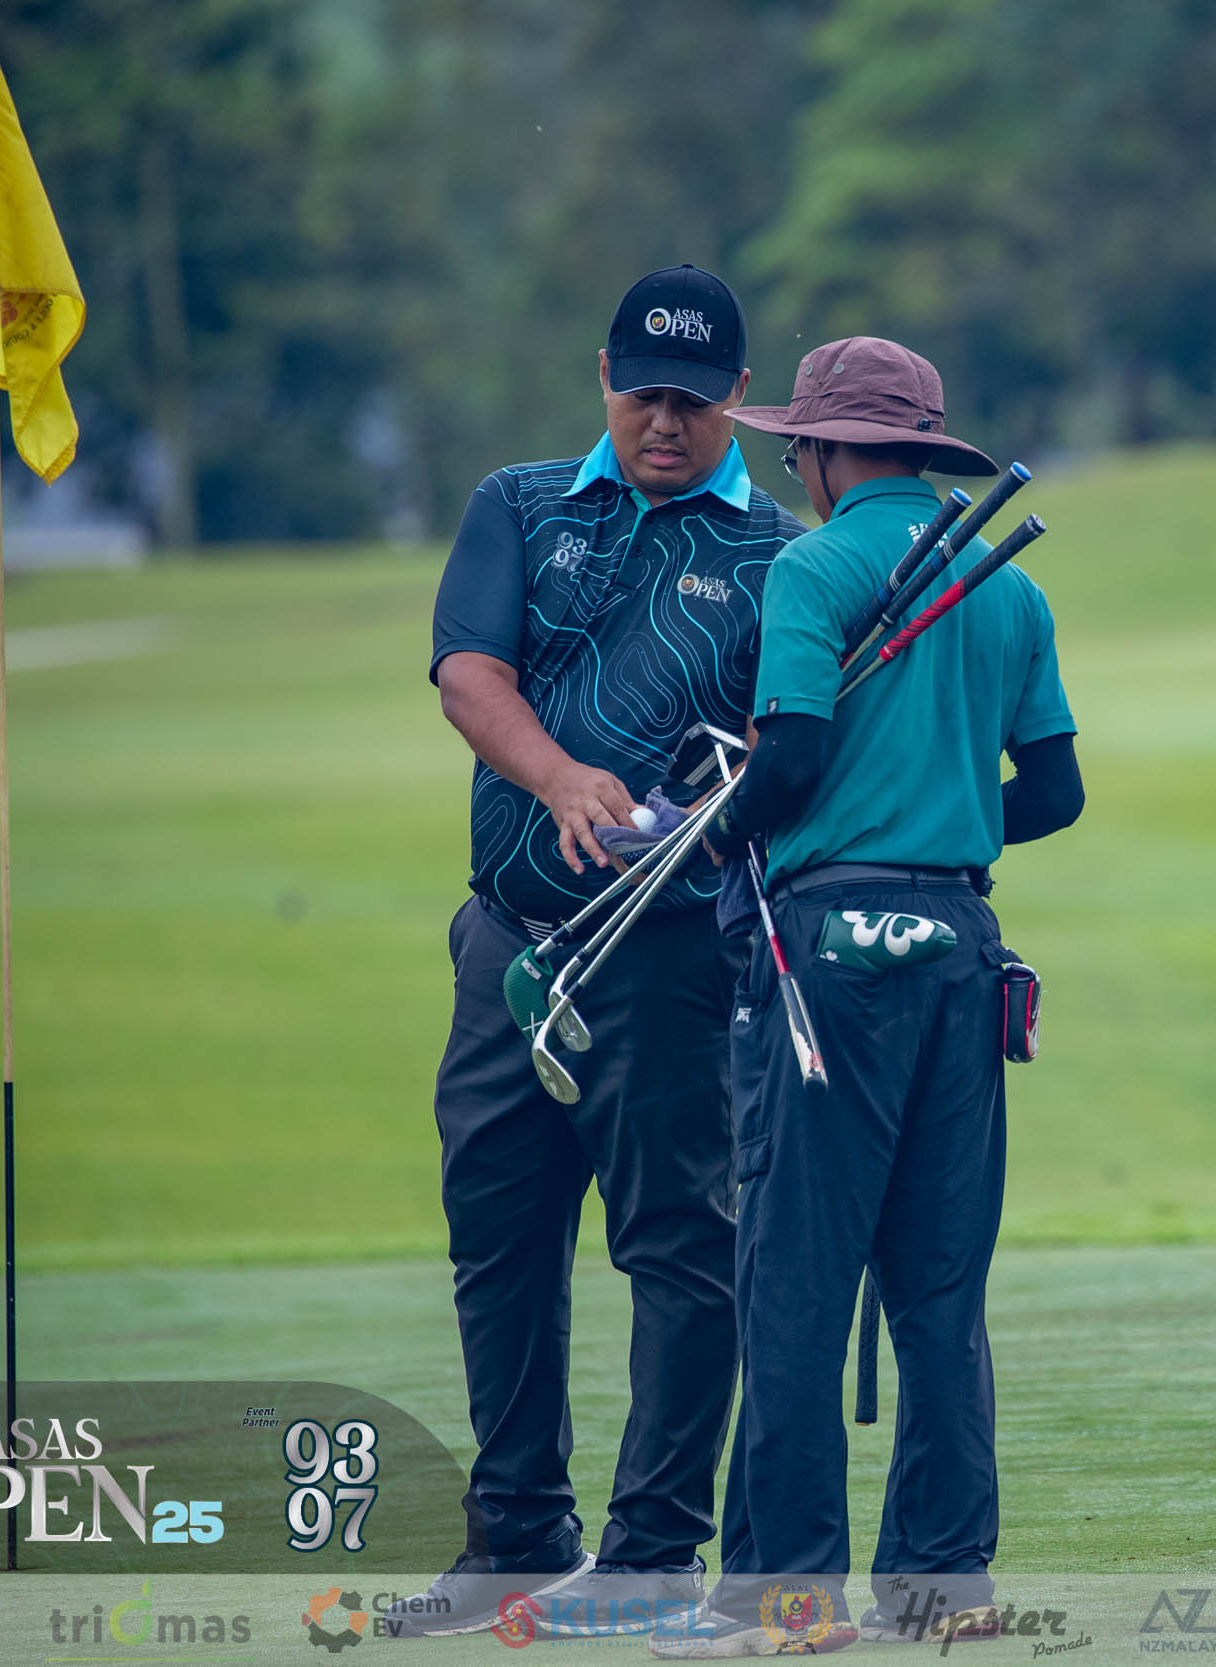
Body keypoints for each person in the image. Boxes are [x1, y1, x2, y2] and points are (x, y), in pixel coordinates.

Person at [652, 337, 1083, 1657]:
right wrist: (944, 813)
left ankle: (786, 1602)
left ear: (830, 453)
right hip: (958, 948)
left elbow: (785, 765)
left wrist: (715, 834)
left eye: (801, 449)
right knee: (939, 1291)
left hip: (825, 954)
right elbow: (1056, 793)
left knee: (795, 1287)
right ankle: (944, 1591)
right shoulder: (1006, 586)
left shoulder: (814, 567)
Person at [402, 265, 805, 1640]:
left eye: (693, 400)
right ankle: (516, 1536)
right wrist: (564, 778)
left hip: (672, 963)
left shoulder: (781, 557)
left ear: (739, 397)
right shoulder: (520, 506)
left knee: (680, 1250)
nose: (665, 423)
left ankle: (649, 1555)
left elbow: (791, 750)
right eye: (643, 395)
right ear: (603, 377)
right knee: (498, 1236)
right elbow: (470, 676)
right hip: (510, 946)